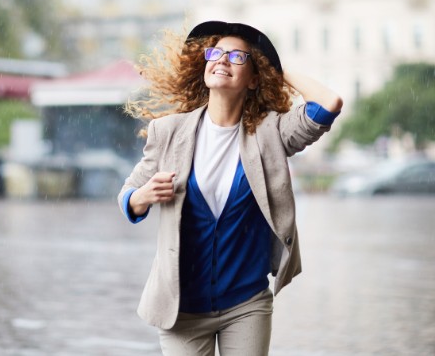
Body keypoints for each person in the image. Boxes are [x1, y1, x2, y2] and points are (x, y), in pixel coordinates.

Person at [118, 20, 343, 356]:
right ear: (204, 64)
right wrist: (142, 196)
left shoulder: (272, 134)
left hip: (246, 303)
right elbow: (128, 194)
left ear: (254, 79)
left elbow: (328, 103)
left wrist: (275, 67)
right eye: (216, 52)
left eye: (237, 57)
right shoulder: (167, 132)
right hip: (181, 309)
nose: (222, 60)